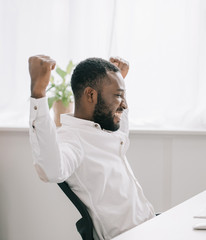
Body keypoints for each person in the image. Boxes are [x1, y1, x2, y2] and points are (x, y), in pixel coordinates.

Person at [28, 55, 155, 240]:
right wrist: (38, 93)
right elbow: (51, 170)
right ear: (91, 95)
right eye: (119, 96)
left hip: (152, 227)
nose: (125, 104)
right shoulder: (72, 140)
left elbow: (121, 129)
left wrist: (118, 84)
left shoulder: (104, 131)